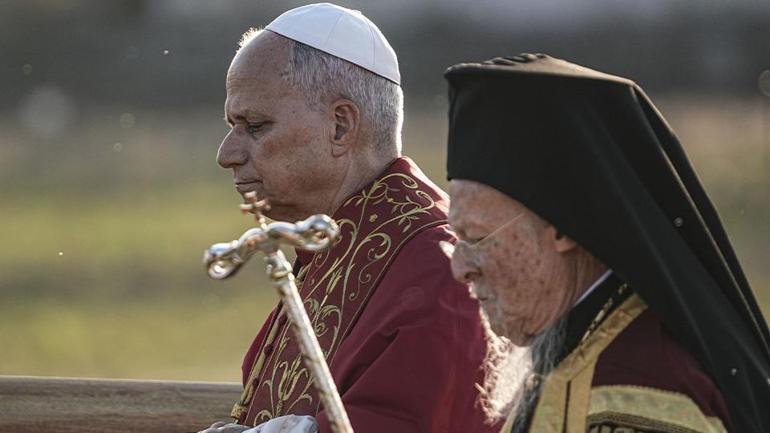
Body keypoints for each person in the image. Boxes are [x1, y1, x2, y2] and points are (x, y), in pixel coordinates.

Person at [200, 4, 494, 433]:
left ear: (340, 126)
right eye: (233, 125)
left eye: (256, 125)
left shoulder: (444, 271)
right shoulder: (327, 248)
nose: (227, 155)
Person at [443, 54, 770, 433]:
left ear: (562, 229)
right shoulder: (575, 345)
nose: (459, 267)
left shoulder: (640, 394)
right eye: (456, 238)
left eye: (478, 238)